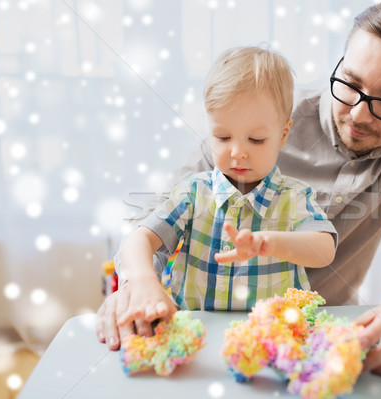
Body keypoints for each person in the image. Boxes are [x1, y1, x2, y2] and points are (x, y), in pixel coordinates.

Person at [96, 0, 381, 378]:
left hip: (310, 336)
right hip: (202, 335)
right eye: (351, 83)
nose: (359, 113)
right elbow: (156, 218)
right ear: (340, 61)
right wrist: (137, 286)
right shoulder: (259, 112)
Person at [114, 46, 337, 329]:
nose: (237, 153)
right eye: (222, 136)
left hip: (273, 336)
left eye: (256, 139)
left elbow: (324, 250)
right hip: (197, 334)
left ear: (282, 135)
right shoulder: (193, 193)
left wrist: (269, 243)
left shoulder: (294, 196)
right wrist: (145, 281)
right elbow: (138, 240)